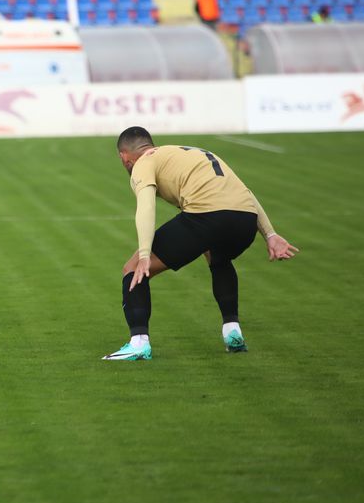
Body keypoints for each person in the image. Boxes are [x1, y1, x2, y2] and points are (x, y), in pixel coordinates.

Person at [104, 126, 298, 361]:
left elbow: (146, 206)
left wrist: (145, 253)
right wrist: (270, 234)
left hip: (206, 216)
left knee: (133, 269)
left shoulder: (143, 163)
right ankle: (232, 330)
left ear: (124, 157)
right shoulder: (191, 152)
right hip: (246, 220)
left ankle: (138, 343)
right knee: (216, 256)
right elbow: (244, 191)